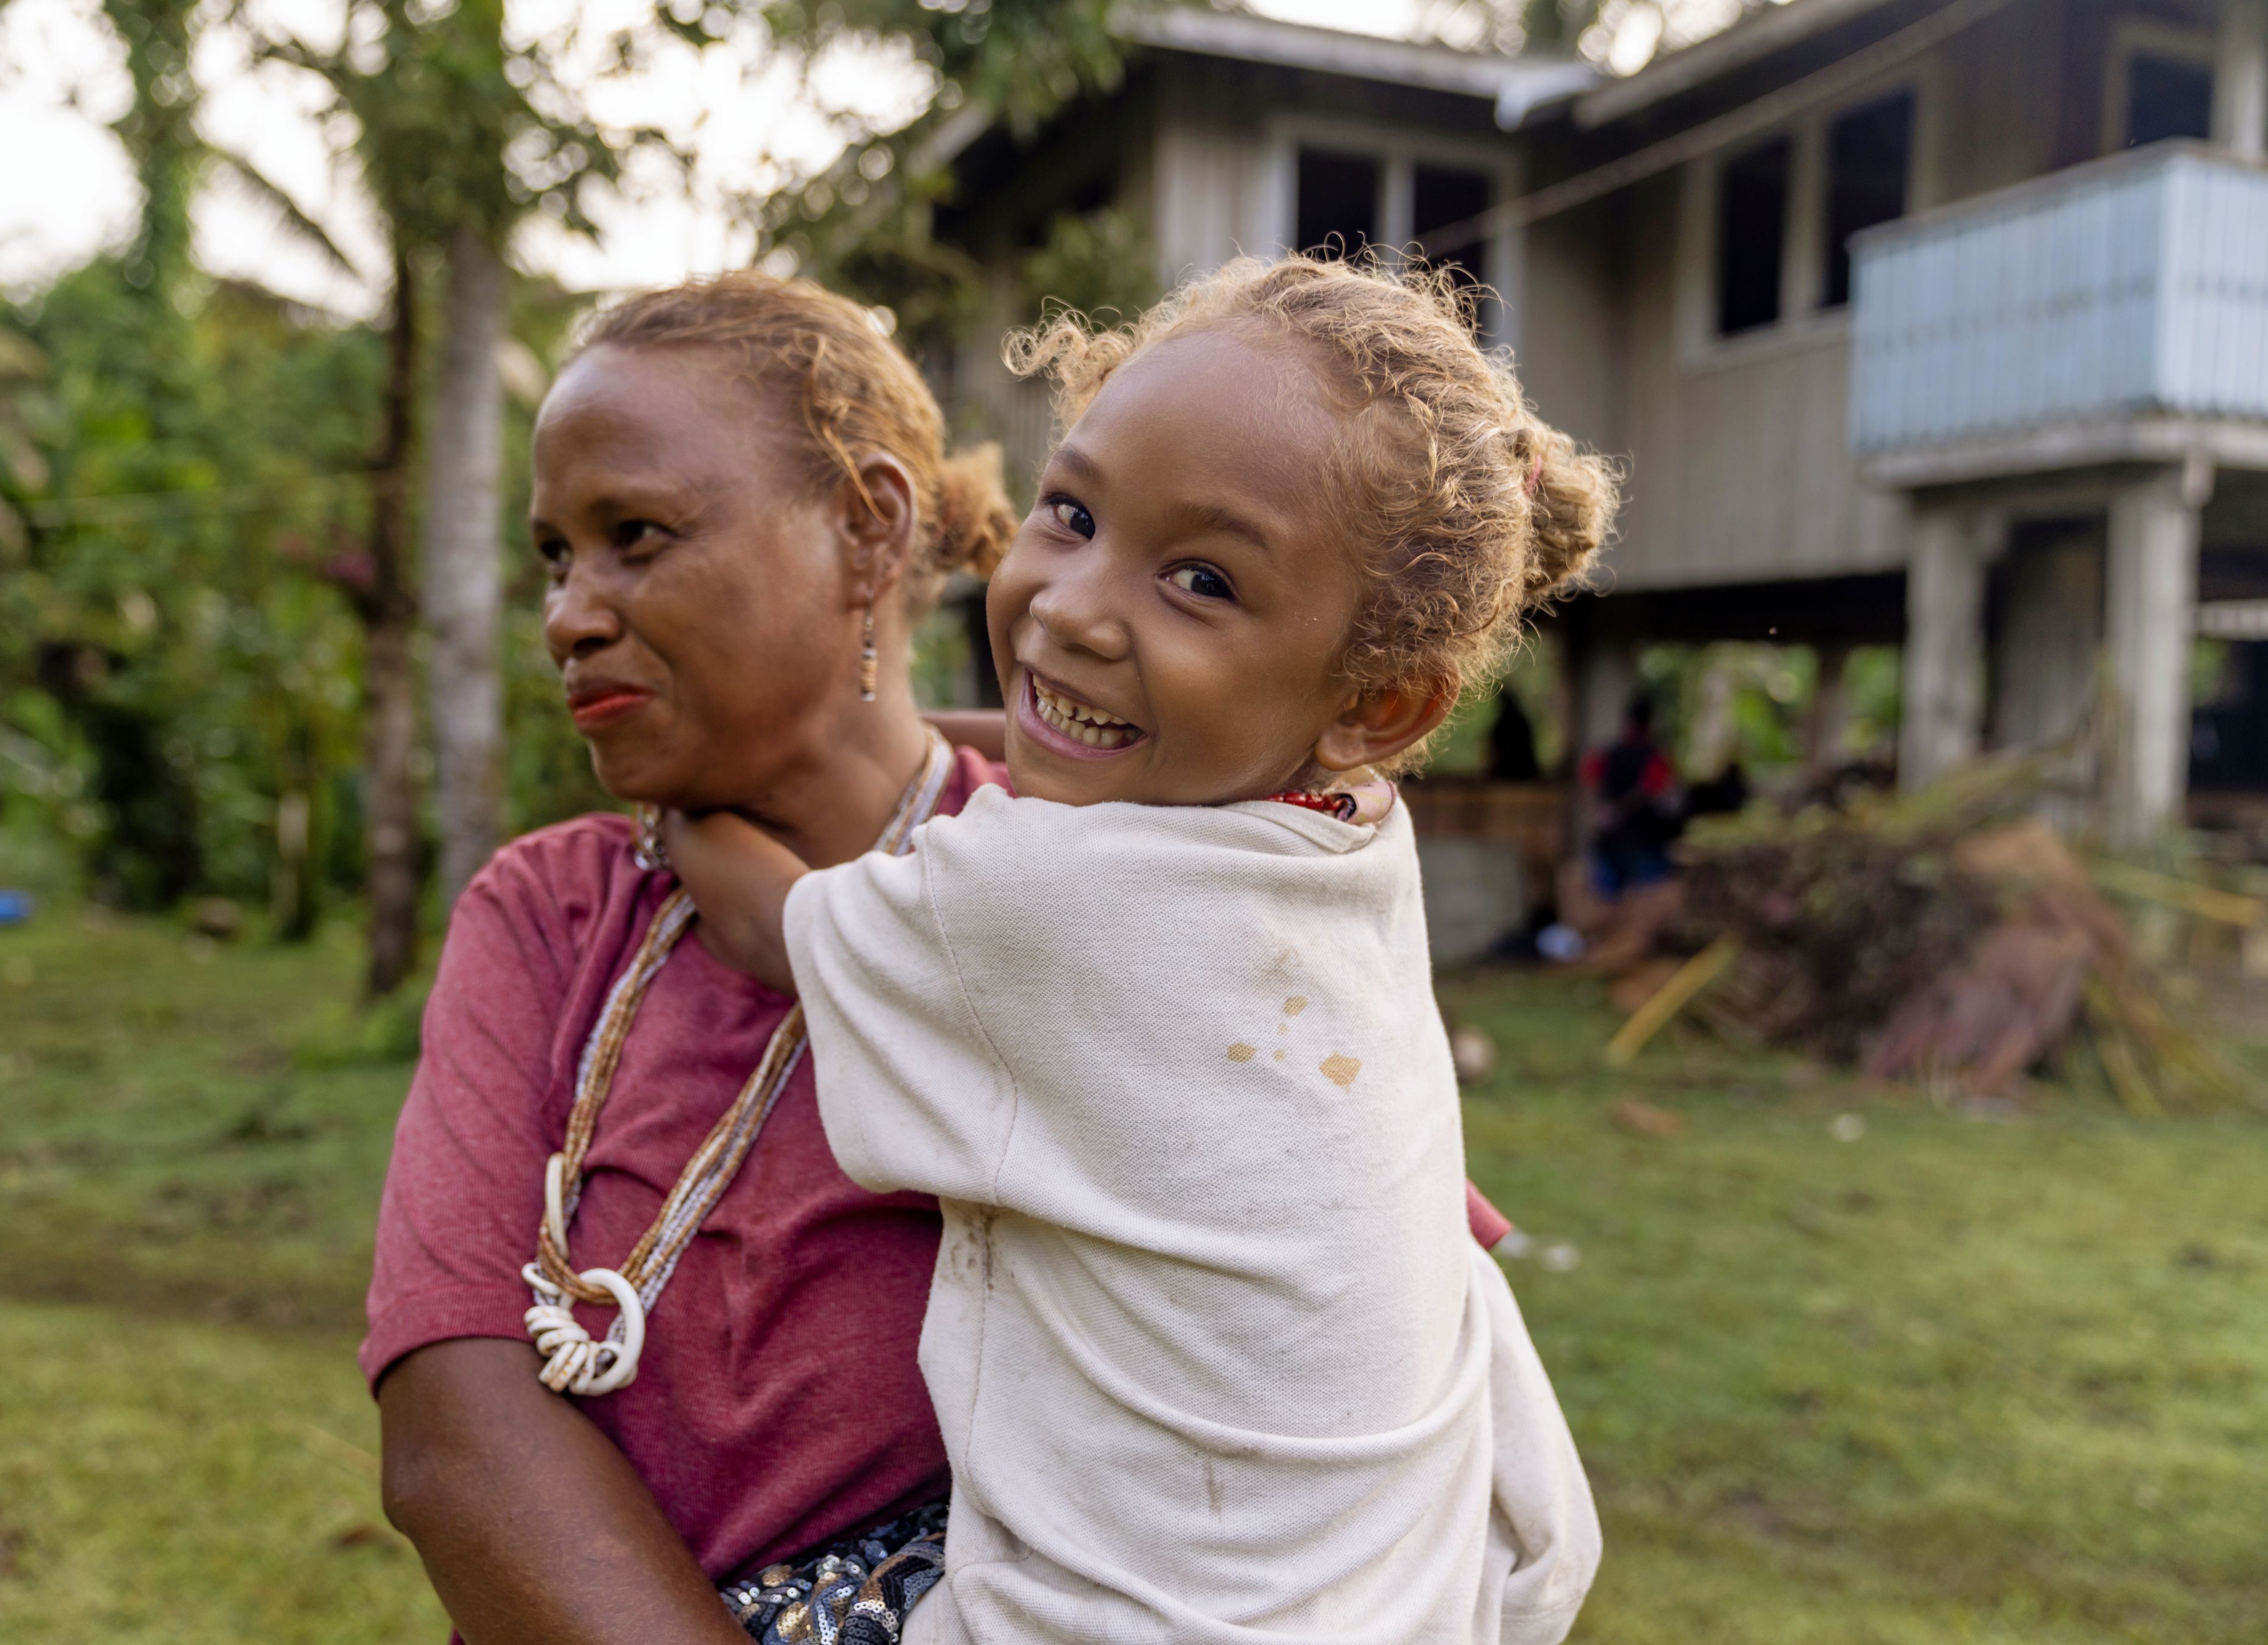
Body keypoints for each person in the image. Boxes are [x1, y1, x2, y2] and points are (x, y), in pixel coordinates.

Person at [362, 270, 1520, 1645]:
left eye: (638, 536)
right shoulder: (551, 916)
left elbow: (1370, 1295)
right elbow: (457, 1449)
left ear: (869, 528)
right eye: (557, 556)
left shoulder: (1145, 891)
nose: (570, 613)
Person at [665, 254, 1610, 1645]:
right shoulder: (1346, 826)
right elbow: (1095, 757)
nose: (1071, 608)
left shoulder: (1051, 908)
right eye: (1072, 512)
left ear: (1380, 698)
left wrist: (693, 784)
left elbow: (767, 918)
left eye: (1202, 580)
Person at [1581, 691, 1678, 897]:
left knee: (1605, 909)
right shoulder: (1655, 757)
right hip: (1642, 846)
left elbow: (1590, 786)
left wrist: (1604, 811)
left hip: (1613, 845)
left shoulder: (1608, 754)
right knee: (1646, 909)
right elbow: (1654, 792)